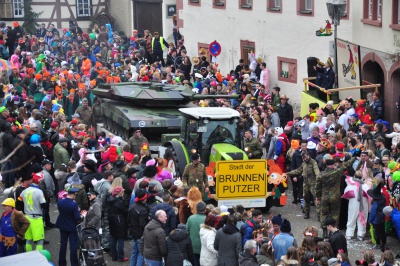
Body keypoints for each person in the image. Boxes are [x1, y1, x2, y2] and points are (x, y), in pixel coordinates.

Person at [316, 155, 355, 236]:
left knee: (324, 213)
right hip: (335, 197)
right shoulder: (337, 172)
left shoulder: (321, 175)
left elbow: (318, 187)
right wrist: (354, 158)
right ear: (333, 165)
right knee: (335, 214)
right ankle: (332, 231)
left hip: (325, 197)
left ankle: (324, 231)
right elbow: (347, 165)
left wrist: (318, 197)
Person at [286, 151, 320, 219]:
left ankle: (319, 215)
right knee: (306, 199)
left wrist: (318, 178)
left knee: (316, 200)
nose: (305, 159)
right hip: (306, 184)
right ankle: (306, 213)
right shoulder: (304, 163)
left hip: (313, 184)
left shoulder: (313, 162)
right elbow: (298, 170)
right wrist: (288, 173)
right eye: (303, 158)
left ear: (308, 155)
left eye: (305, 157)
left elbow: (317, 172)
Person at [19, 171, 47, 252]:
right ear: (38, 181)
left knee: (28, 239)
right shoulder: (39, 191)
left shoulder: (23, 191)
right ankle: (39, 258)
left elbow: (19, 202)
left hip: (27, 217)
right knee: (40, 240)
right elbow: (44, 205)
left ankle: (29, 257)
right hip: (37, 218)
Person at [56, 187, 81, 266]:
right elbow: (77, 217)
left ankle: (62, 263)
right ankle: (74, 263)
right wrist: (80, 213)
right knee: (73, 246)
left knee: (63, 245)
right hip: (71, 226)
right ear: (73, 195)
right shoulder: (74, 204)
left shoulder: (60, 201)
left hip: (62, 225)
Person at [128, 188, 150, 266]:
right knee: (141, 254)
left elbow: (128, 220)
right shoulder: (143, 210)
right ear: (144, 199)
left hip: (133, 232)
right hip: (140, 234)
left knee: (134, 252)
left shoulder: (132, 206)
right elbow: (142, 224)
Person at [108, 186, 129, 262]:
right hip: (119, 222)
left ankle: (114, 256)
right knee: (120, 239)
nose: (123, 193)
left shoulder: (110, 200)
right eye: (122, 192)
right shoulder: (119, 202)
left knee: (113, 239)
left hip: (112, 222)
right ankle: (121, 257)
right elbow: (125, 211)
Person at [186, 201, 207, 266]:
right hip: (204, 247)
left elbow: (186, 231)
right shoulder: (207, 219)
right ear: (205, 210)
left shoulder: (190, 218)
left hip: (193, 246)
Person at [367, 183, 387, 252]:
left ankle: (378, 243)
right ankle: (384, 242)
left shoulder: (375, 203)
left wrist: (370, 220)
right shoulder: (383, 199)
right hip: (382, 218)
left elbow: (373, 213)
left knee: (377, 232)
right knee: (382, 231)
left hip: (376, 219)